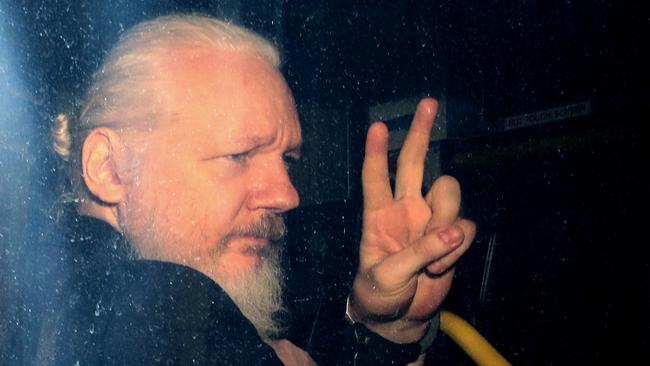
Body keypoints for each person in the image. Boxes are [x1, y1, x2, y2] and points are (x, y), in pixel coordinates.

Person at [29, 14, 475, 366]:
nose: (287, 195)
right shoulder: (171, 310)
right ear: (108, 168)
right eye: (239, 155)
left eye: (286, 160)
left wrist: (389, 328)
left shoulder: (51, 306)